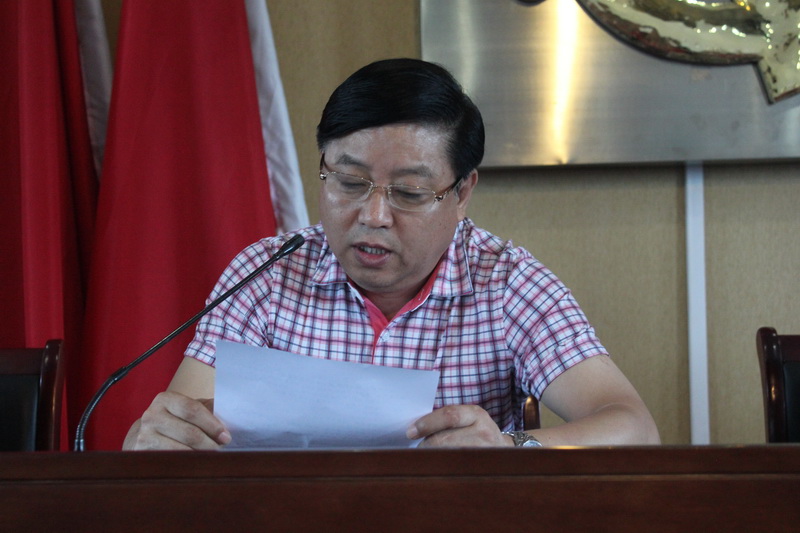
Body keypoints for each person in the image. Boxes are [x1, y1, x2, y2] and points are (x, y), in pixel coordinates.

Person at [123, 58, 659, 450]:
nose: (374, 215)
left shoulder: (506, 282)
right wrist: (155, 438)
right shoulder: (267, 275)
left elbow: (632, 427)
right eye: (349, 182)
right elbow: (179, 431)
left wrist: (510, 448)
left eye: (409, 192)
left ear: (462, 192)